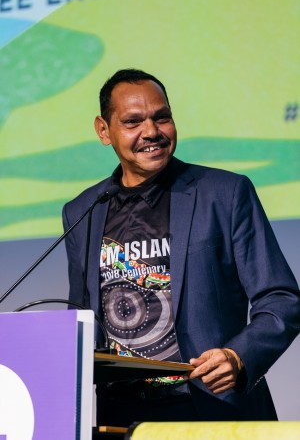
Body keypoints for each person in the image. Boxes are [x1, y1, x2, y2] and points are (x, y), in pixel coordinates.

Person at [63, 69, 300, 426]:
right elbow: (81, 317)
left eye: (162, 117)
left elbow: (281, 298)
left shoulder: (223, 194)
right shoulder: (83, 211)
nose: (152, 132)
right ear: (103, 130)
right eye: (132, 121)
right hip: (122, 417)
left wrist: (238, 356)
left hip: (211, 410)